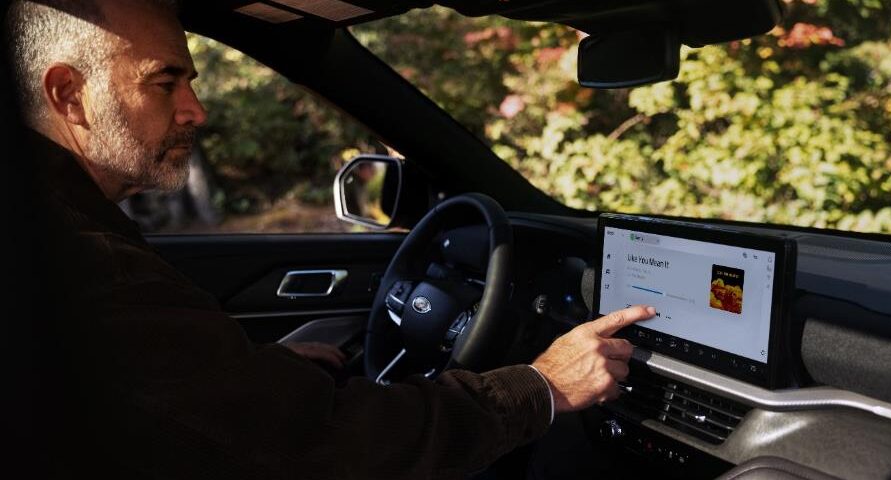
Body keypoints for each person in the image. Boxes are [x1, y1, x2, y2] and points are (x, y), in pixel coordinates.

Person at [6, 0, 655, 477]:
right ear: (68, 94)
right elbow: (319, 447)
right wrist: (541, 388)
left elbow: (173, 401)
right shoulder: (84, 264)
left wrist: (254, 376)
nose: (195, 110)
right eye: (164, 81)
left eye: (192, 83)